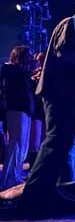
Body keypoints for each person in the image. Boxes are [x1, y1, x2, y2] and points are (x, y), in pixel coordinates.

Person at [18, 0, 75, 212]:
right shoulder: (72, 24)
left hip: (73, 96)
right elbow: (66, 52)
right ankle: (35, 192)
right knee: (57, 141)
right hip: (61, 93)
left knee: (72, 146)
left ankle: (64, 189)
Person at [0, 45, 35, 189]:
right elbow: (14, 78)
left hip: (25, 109)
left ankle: (16, 175)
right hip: (15, 108)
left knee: (23, 144)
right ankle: (8, 178)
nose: (31, 58)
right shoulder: (9, 69)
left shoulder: (23, 72)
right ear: (20, 55)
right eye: (29, 55)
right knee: (16, 143)